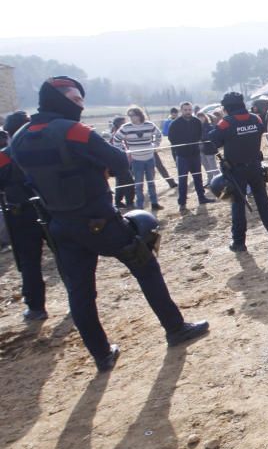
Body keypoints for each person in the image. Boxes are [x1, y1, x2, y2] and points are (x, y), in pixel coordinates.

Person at [8, 77, 209, 372]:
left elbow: (24, 176)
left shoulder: (21, 136)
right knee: (146, 267)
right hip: (98, 219)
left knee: (79, 292)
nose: (81, 105)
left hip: (59, 224)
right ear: (61, 100)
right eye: (76, 100)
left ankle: (101, 354)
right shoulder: (73, 131)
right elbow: (119, 161)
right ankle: (175, 328)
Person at [206, 92, 268, 251]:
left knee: (238, 205)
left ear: (226, 107)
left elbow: (211, 142)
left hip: (236, 170)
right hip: (255, 166)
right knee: (262, 200)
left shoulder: (226, 123)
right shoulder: (256, 118)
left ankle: (239, 242)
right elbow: (260, 131)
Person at [0, 111, 48, 321]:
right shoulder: (42, 150)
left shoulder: (4, 156)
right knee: (65, 256)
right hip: (46, 208)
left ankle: (36, 306)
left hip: (23, 213)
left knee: (29, 261)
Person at [114, 106, 164, 210]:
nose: (131, 117)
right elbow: (116, 140)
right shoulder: (126, 127)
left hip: (150, 158)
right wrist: (124, 151)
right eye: (130, 115)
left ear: (139, 115)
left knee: (151, 182)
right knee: (138, 184)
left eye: (133, 115)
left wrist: (155, 145)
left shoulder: (149, 125)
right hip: (136, 160)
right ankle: (140, 205)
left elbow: (159, 135)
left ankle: (154, 203)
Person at [167, 101, 214, 210]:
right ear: (181, 110)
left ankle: (202, 197)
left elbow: (199, 134)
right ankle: (182, 203)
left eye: (189, 110)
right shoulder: (175, 123)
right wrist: (181, 147)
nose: (188, 112)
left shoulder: (196, 121)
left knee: (198, 177)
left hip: (195, 154)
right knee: (183, 180)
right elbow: (172, 138)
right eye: (185, 110)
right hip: (182, 155)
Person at [109, 115, 135, 209]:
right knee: (129, 183)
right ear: (120, 125)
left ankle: (118, 202)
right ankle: (130, 203)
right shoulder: (116, 136)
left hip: (123, 163)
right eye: (124, 123)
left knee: (120, 183)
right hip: (120, 164)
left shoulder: (121, 135)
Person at [196, 111, 220, 181]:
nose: (200, 119)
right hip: (200, 149)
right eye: (199, 117)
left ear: (205, 117)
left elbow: (210, 136)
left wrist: (201, 139)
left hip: (209, 149)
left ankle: (219, 180)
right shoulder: (196, 127)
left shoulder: (210, 126)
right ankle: (210, 180)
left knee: (213, 167)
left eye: (202, 117)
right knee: (206, 166)